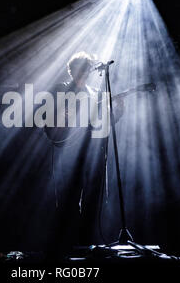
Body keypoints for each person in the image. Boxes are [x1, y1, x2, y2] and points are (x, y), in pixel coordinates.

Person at [45, 51, 124, 257]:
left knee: (92, 199)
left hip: (92, 153)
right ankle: (64, 248)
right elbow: (47, 119)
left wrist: (118, 110)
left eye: (87, 69)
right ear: (72, 70)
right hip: (69, 152)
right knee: (68, 200)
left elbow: (102, 122)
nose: (85, 73)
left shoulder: (93, 93)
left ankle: (86, 245)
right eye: (81, 69)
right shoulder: (60, 90)